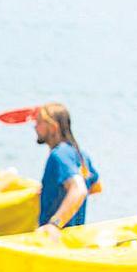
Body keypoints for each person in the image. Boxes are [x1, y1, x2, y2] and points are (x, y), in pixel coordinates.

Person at [34, 102, 102, 239]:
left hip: (57, 240)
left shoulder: (58, 155)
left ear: (53, 127)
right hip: (75, 239)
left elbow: (79, 190)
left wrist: (55, 224)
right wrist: (53, 191)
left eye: (40, 122)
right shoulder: (80, 154)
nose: (35, 127)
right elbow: (96, 186)